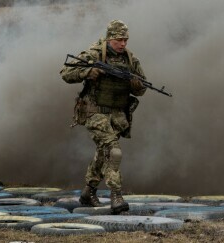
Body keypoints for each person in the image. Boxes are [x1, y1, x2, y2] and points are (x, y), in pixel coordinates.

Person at [60, 20, 147, 214]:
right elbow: (66, 73)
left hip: (116, 115)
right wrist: (89, 72)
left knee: (103, 153)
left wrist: (136, 85)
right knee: (113, 152)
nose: (123, 43)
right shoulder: (94, 54)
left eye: (126, 39)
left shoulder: (131, 60)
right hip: (94, 111)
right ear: (110, 38)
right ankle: (116, 195)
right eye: (119, 40)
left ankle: (88, 192)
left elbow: (142, 89)